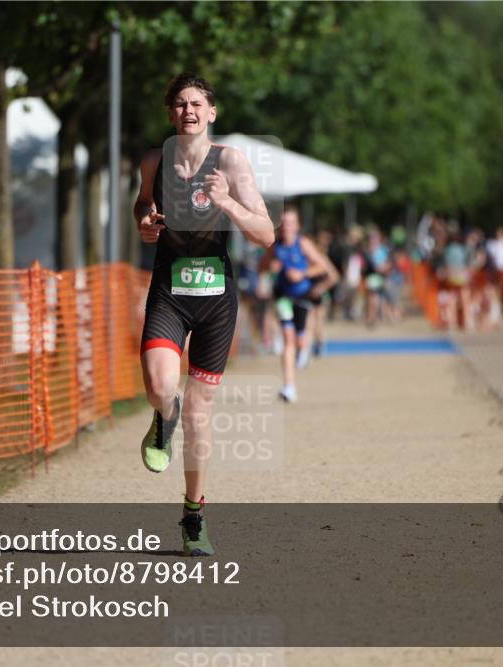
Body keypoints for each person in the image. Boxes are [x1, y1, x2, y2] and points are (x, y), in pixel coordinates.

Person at [135, 73, 274, 556]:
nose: (188, 110)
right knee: (158, 387)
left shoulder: (230, 161)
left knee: (199, 413)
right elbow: (141, 203)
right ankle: (161, 419)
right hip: (169, 292)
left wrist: (227, 202)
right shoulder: (155, 161)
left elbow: (266, 233)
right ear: (170, 113)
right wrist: (145, 222)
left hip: (216, 300)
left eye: (196, 103)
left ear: (212, 112)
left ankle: (193, 516)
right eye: (178, 104)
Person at [260, 206, 338, 403]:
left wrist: (302, 274)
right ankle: (289, 387)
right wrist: (270, 268)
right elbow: (261, 266)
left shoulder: (303, 244)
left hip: (303, 295)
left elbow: (322, 266)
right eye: (284, 223)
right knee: (288, 338)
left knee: (300, 340)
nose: (287, 227)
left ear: (298, 226)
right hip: (283, 297)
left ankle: (305, 350)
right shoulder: (274, 246)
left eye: (291, 223)